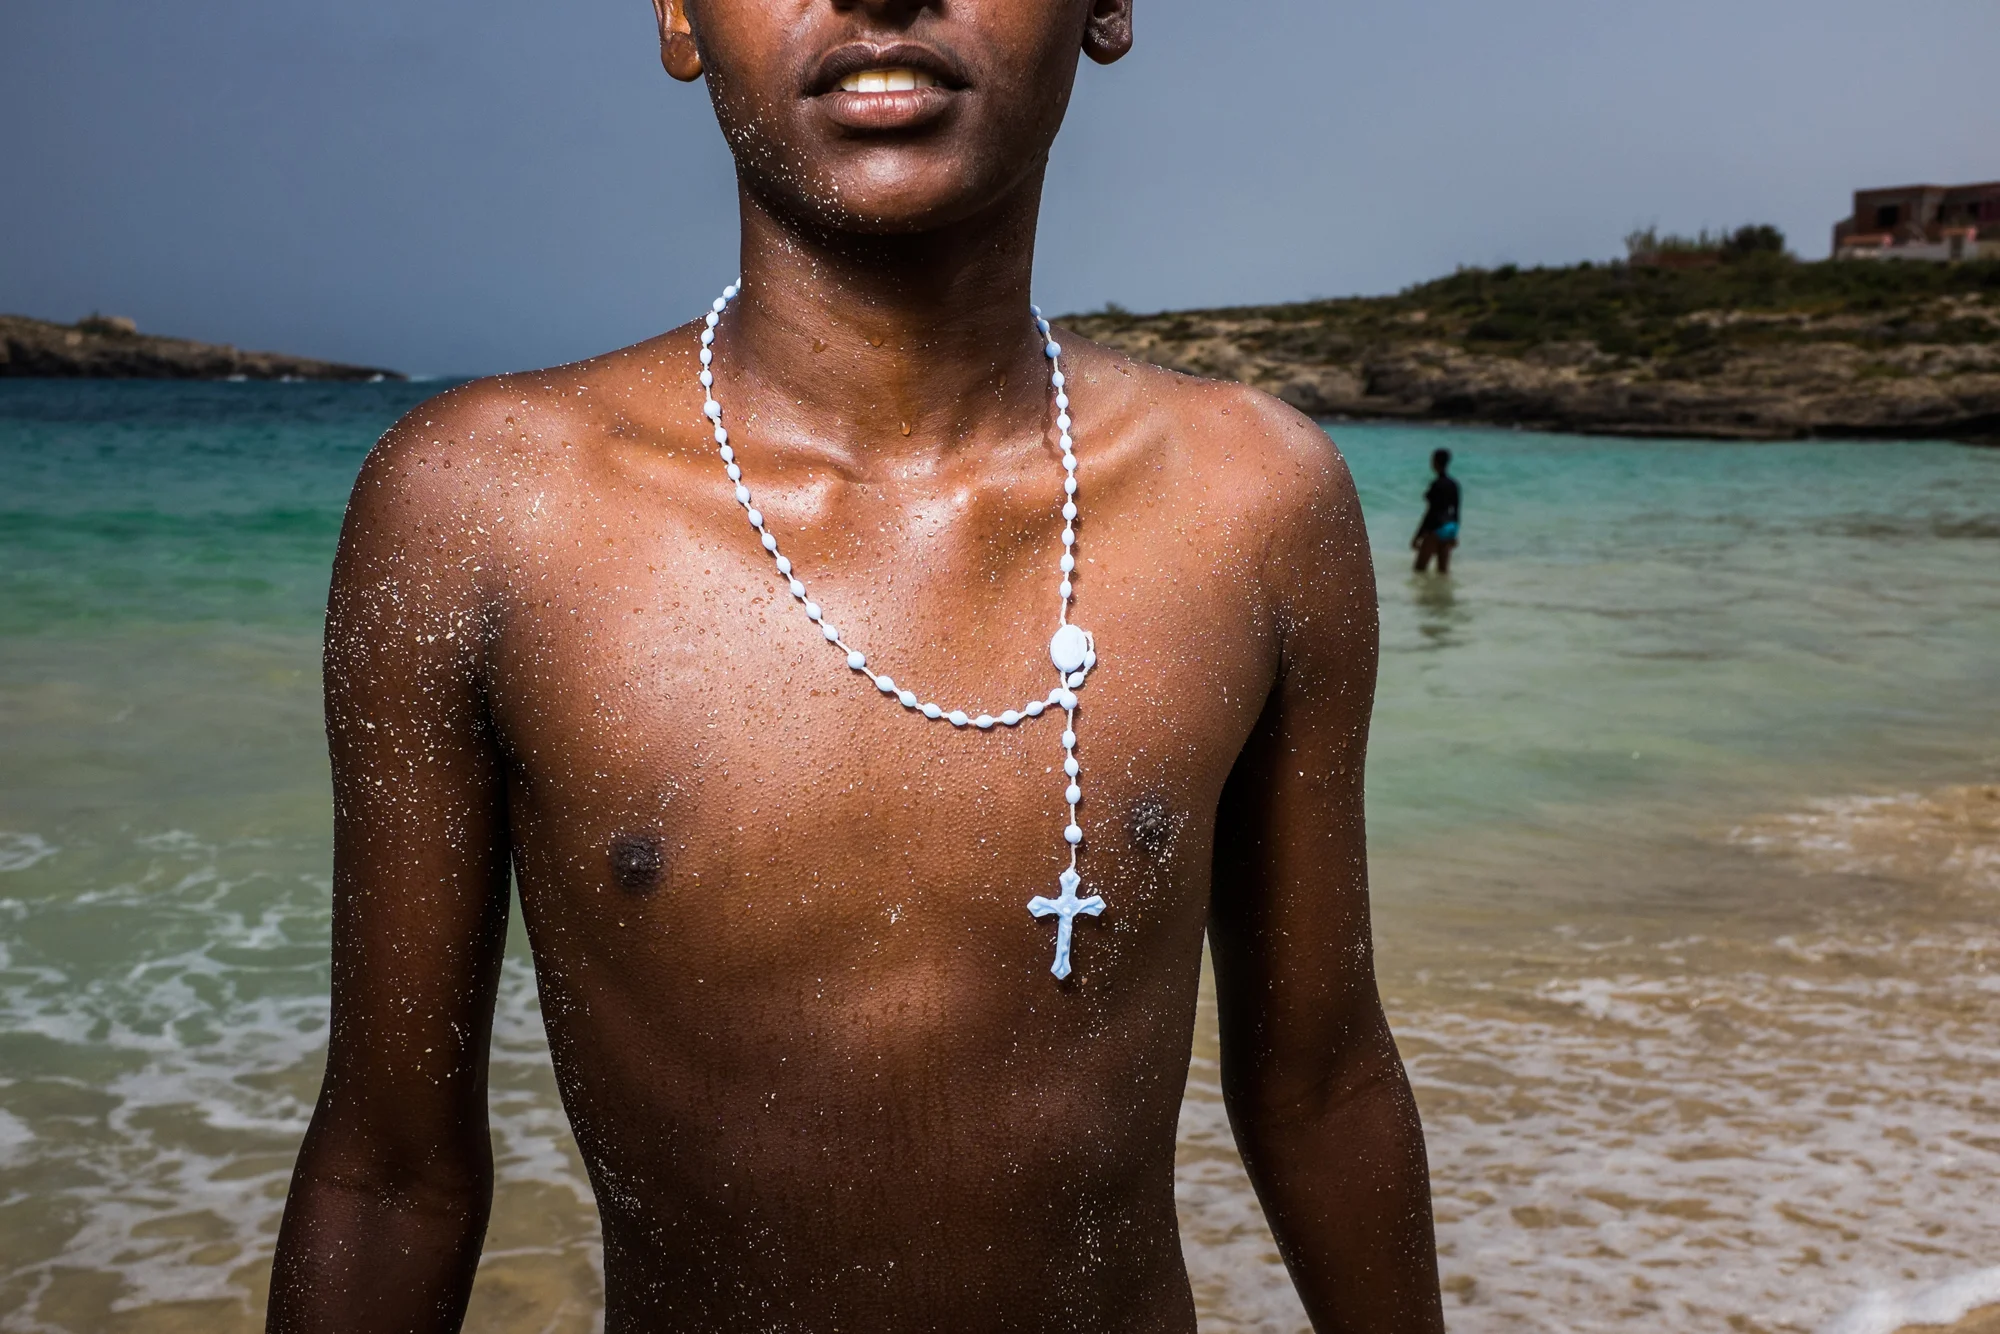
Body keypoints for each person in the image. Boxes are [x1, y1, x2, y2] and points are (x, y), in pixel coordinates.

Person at [268, 2, 1444, 1331]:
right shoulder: (479, 507)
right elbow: (392, 1173)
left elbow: (1323, 1088)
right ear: (677, 15)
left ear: (1110, 8)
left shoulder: (1254, 500)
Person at [1411, 448, 1460, 575]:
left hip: (1435, 528)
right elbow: (1456, 511)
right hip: (1449, 528)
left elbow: (1431, 512)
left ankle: (1423, 594)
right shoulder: (1454, 484)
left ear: (1435, 463)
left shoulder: (1436, 484)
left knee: (1419, 569)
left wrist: (1418, 536)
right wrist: (1454, 534)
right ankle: (1443, 595)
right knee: (1443, 571)